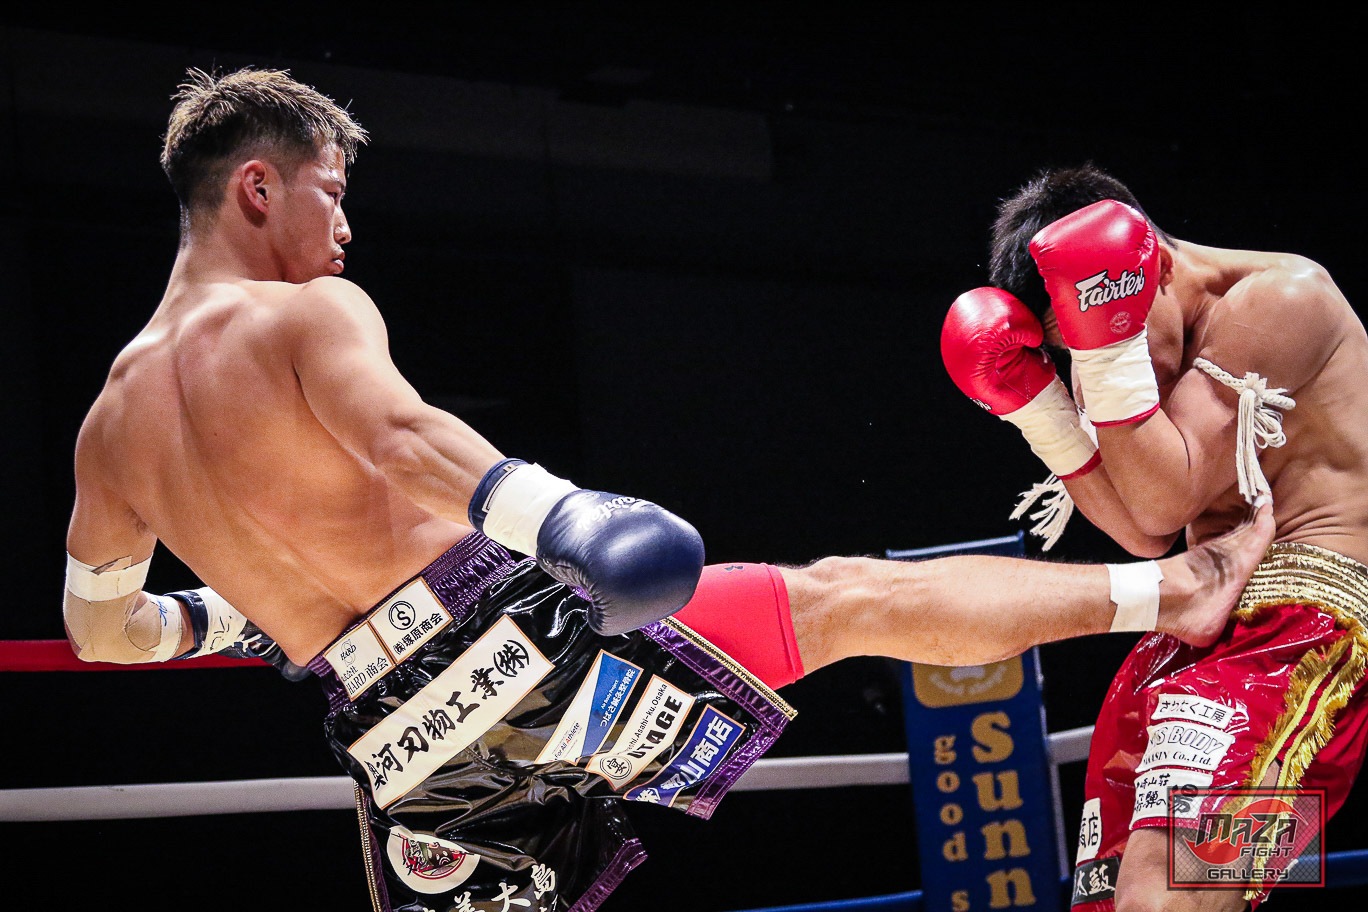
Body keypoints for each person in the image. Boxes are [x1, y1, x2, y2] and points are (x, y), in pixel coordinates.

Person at [61, 70, 1275, 912]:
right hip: (518, 648)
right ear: (258, 188)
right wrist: (565, 517)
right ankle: (1175, 590)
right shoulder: (302, 316)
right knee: (850, 599)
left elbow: (102, 632)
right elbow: (400, 439)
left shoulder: (110, 430)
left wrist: (236, 617)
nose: (343, 229)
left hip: (411, 756)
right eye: (330, 192)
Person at [942, 161, 1368, 911]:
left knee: (1166, 889)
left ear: (1156, 266)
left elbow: (1163, 496)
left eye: (1115, 336)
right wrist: (1040, 410)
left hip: (1307, 629)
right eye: (1077, 350)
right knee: (1110, 897)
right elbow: (1144, 532)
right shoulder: (1102, 344)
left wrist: (1107, 356)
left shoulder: (1283, 297)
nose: (1100, 364)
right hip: (1188, 626)